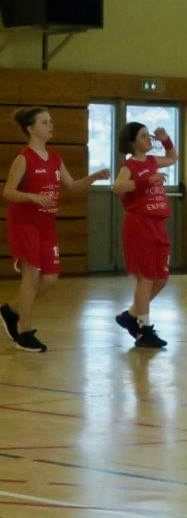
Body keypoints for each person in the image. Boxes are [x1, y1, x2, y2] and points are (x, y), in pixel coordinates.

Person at [1, 107, 109, 352]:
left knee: (50, 280)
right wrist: (33, 197)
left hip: (46, 224)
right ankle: (24, 332)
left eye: (50, 121)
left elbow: (73, 186)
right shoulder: (24, 158)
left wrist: (94, 176)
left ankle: (11, 310)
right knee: (31, 276)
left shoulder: (55, 158)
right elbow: (8, 192)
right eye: (44, 122)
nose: (50, 125)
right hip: (25, 223)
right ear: (31, 129)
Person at [111, 123, 178, 348]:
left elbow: (172, 157)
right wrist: (145, 181)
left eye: (148, 135)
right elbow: (117, 187)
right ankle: (143, 328)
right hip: (139, 224)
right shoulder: (129, 165)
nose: (148, 139)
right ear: (132, 142)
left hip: (158, 223)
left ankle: (131, 315)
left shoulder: (152, 161)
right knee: (146, 277)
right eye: (143, 136)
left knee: (161, 278)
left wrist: (166, 139)